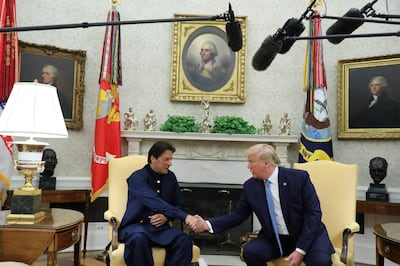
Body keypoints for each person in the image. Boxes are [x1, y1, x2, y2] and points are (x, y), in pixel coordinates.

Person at [189, 144, 334, 266]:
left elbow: (313, 214)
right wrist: (206, 224)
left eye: (251, 162)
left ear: (266, 163)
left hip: (308, 236)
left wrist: (300, 250)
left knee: (320, 262)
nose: (248, 166)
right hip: (276, 239)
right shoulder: (251, 186)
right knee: (251, 252)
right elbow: (238, 216)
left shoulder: (299, 178)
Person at [118, 141, 198, 266]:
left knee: (184, 240)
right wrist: (185, 217)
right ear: (153, 158)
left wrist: (167, 216)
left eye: (171, 159)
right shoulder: (137, 178)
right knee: (139, 239)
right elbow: (154, 201)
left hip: (161, 230)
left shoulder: (170, 177)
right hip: (136, 228)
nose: (170, 163)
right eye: (166, 159)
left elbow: (179, 204)